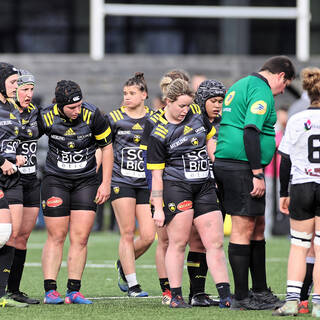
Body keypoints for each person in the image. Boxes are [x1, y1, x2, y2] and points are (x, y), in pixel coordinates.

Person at [214, 55, 296, 310]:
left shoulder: (241, 84)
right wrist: (257, 172)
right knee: (242, 228)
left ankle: (259, 290)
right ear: (281, 76)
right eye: (285, 85)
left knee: (257, 226)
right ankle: (241, 296)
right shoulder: (261, 90)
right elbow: (251, 129)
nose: (283, 91)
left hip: (233, 163)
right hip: (241, 166)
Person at [147, 78, 231, 308]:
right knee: (178, 243)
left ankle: (225, 296)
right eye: (181, 106)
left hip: (203, 186)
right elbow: (156, 176)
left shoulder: (198, 116)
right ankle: (175, 296)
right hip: (177, 187)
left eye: (188, 106)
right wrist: (157, 207)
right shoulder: (158, 133)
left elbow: (211, 144)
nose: (185, 110)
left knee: (214, 243)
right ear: (168, 102)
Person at [40, 80, 113, 304]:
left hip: (86, 181)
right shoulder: (46, 117)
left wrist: (105, 183)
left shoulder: (93, 115)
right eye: (72, 107)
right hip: (55, 180)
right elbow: (26, 138)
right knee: (57, 235)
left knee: (80, 238)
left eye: (79, 105)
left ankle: (74, 290)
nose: (77, 110)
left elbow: (107, 147)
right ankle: (50, 291)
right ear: (60, 106)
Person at [273, 67, 320, 317]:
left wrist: (283, 192)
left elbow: (285, 159)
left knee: (299, 246)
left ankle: (292, 302)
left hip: (301, 186)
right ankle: (318, 305)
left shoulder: (297, 119)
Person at [107, 73, 155, 297]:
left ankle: (123, 263)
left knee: (148, 235)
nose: (127, 97)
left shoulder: (155, 118)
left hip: (145, 183)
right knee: (127, 233)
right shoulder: (114, 118)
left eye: (132, 93)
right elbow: (104, 148)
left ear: (144, 95)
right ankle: (133, 285)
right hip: (121, 181)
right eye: (125, 93)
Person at [5, 69, 40, 304]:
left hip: (31, 179)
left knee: (23, 236)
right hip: (9, 179)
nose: (28, 94)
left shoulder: (36, 112)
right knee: (9, 234)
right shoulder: (5, 112)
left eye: (31, 89)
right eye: (24, 89)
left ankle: (14, 289)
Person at [0, 63, 29, 308]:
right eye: (12, 83)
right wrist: (1, 162)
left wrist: (16, 157)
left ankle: (3, 294)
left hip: (13, 177)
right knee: (1, 234)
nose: (16, 87)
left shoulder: (13, 108)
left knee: (13, 235)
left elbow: (11, 141)